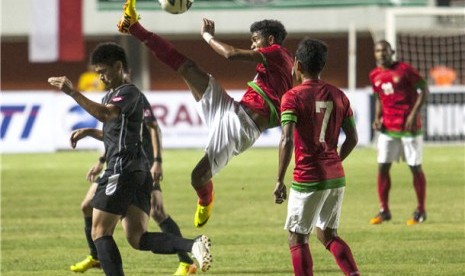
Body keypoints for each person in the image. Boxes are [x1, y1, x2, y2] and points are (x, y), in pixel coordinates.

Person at [117, 0, 293, 228]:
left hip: (241, 128)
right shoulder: (282, 66)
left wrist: (207, 36)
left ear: (270, 41)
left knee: (196, 177)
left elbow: (230, 54)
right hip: (234, 108)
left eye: (255, 40)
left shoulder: (277, 53)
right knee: (187, 67)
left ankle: (206, 199)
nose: (253, 44)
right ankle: (133, 27)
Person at [48, 42, 212, 275]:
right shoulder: (112, 94)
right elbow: (115, 132)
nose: (100, 77)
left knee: (100, 232)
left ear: (118, 67)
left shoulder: (129, 91)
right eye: (98, 72)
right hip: (135, 171)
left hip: (122, 169)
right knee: (137, 238)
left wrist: (73, 92)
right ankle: (192, 245)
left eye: (103, 71)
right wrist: (90, 133)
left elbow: (108, 114)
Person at [69, 93, 197, 275]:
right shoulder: (110, 97)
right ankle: (96, 256)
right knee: (88, 206)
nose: (102, 76)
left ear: (122, 69)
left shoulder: (134, 96)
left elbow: (153, 128)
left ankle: (186, 261)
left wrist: (157, 161)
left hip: (139, 164)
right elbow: (114, 136)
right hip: (116, 164)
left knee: (157, 212)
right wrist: (101, 159)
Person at [273, 38, 360, 276]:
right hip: (335, 176)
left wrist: (279, 180)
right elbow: (353, 138)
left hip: (308, 176)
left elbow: (287, 139)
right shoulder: (339, 95)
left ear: (297, 65)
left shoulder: (292, 97)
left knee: (297, 237)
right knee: (327, 234)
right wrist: (335, 161)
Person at [369, 40, 429, 226]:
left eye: (384, 50)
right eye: (378, 50)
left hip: (409, 128)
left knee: (414, 167)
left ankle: (420, 210)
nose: (381, 53)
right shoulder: (374, 75)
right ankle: (384, 210)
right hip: (388, 128)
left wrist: (413, 114)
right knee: (382, 167)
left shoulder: (405, 70)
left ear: (392, 52)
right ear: (375, 54)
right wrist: (378, 118)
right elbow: (380, 97)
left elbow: (424, 90)